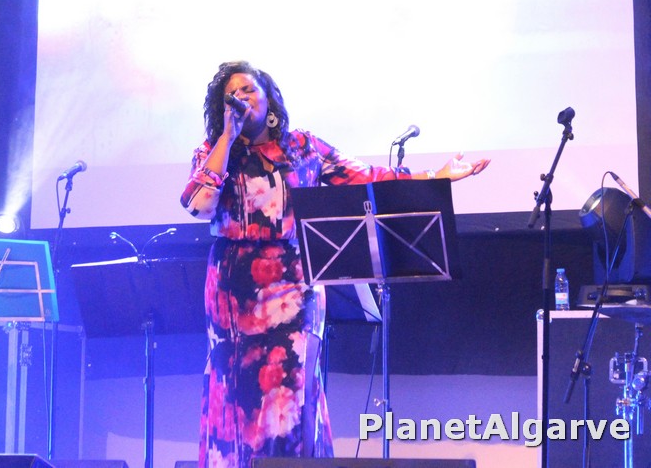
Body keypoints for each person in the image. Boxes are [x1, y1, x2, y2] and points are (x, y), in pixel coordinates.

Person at [180, 61, 490, 468]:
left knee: (291, 394)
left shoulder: (302, 147)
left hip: (294, 286)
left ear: (269, 98)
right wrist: (226, 137)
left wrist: (437, 176)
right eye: (231, 95)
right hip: (232, 291)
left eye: (248, 90)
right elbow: (198, 205)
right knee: (235, 391)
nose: (240, 98)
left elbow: (369, 177)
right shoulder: (213, 152)